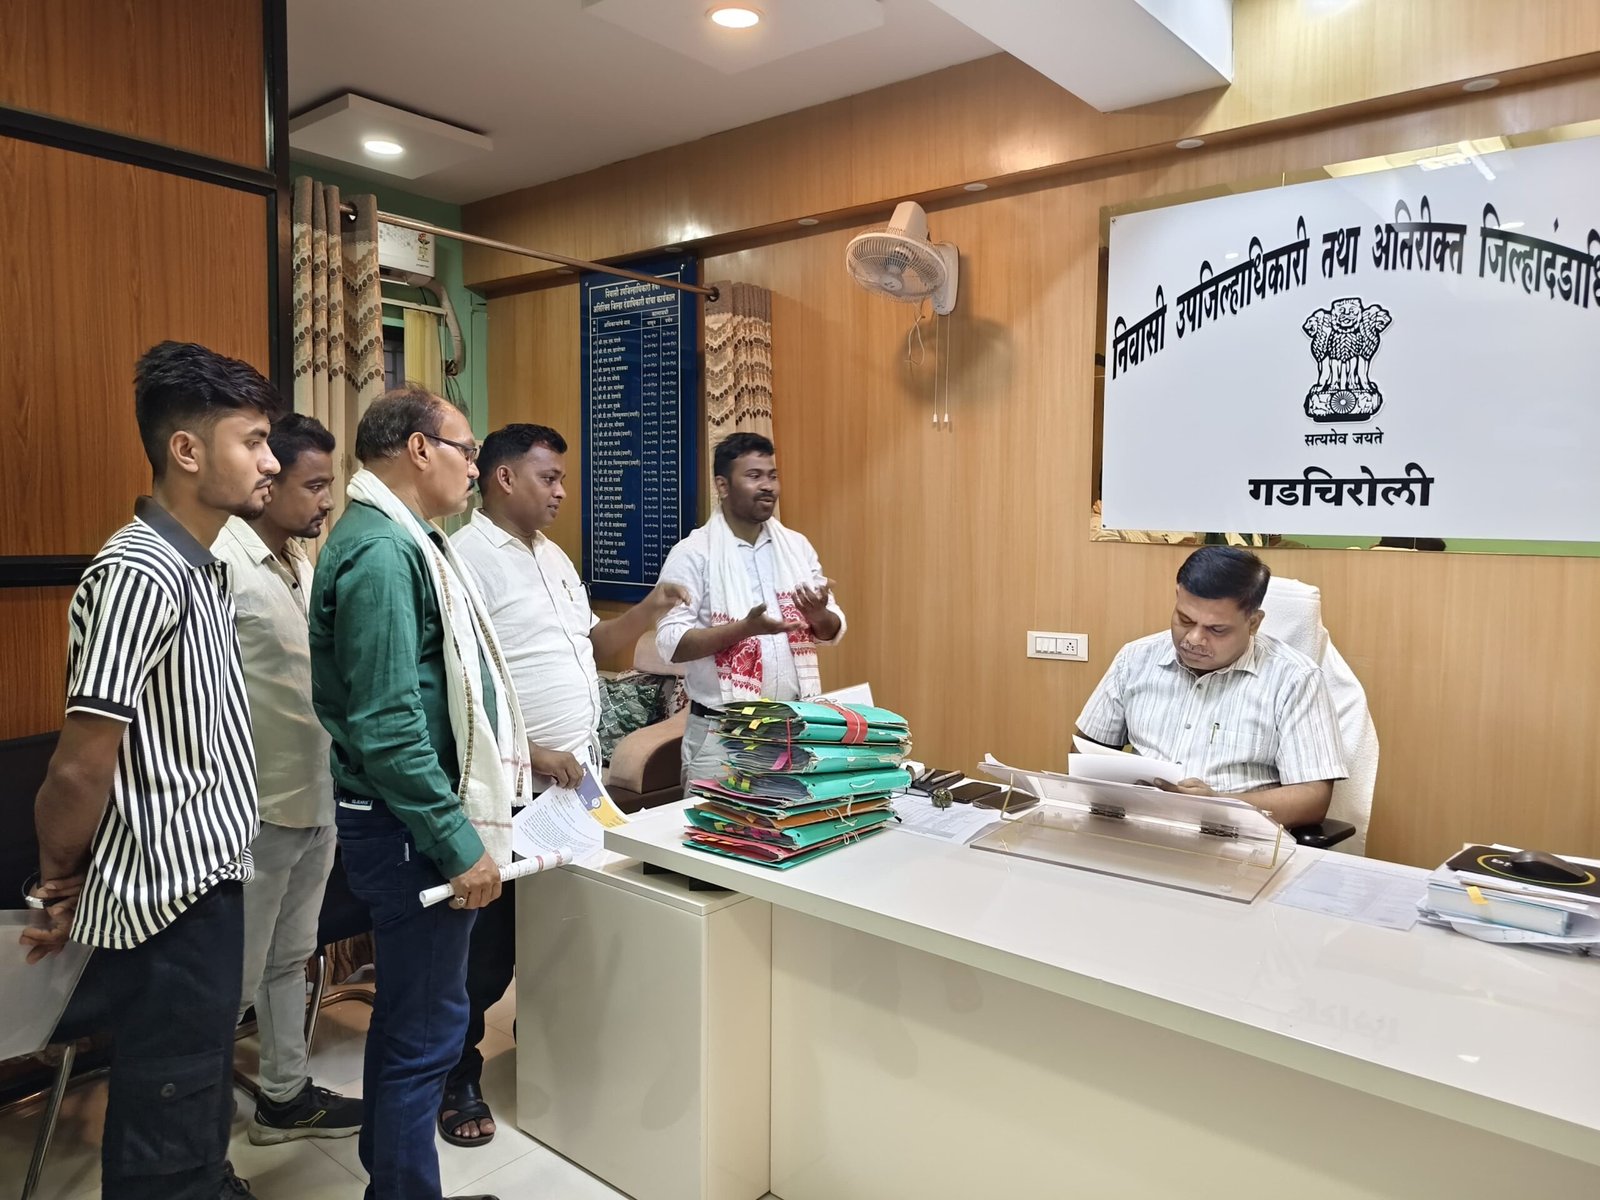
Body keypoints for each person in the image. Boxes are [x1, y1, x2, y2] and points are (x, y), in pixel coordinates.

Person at [22, 341, 281, 1200]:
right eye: (253, 440)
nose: (270, 461)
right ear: (187, 450)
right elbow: (80, 767)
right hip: (167, 900)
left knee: (197, 1092)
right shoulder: (138, 570)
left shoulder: (202, 566)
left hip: (208, 877)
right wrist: (59, 877)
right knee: (165, 1121)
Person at [309, 386, 524, 1200]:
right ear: (419, 448)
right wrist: (458, 842)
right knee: (427, 1031)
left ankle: (393, 1184)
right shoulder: (382, 552)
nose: (475, 467)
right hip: (408, 829)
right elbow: (388, 726)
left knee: (410, 1016)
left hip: (405, 821)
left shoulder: (406, 540)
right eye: (468, 450)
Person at [445, 422, 688, 1145]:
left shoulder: (552, 555)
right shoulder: (465, 559)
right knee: (486, 950)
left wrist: (647, 611)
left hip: (574, 783)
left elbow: (592, 646)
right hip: (511, 785)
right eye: (548, 477)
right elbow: (459, 687)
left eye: (561, 478)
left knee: (566, 928)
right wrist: (530, 751)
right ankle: (457, 1077)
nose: (560, 491)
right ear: (503, 478)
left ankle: (551, 1041)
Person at [212, 413, 362, 1145]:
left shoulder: (302, 562)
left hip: (315, 795)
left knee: (291, 958)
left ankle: (283, 1096)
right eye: (314, 486)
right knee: (228, 979)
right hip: (251, 815)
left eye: (330, 486)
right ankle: (197, 1139)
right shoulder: (221, 564)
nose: (326, 501)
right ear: (268, 482)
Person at [1074, 545, 1346, 828]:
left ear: (1253, 623)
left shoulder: (1296, 679)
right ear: (1177, 596)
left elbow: (1312, 799)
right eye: (1185, 620)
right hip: (1135, 829)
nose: (1193, 639)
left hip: (1236, 839)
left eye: (1216, 629)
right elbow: (1084, 751)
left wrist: (1218, 804)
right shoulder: (1135, 659)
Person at [655, 432, 846, 784]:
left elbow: (831, 630)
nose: (768, 486)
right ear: (722, 486)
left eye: (772, 475)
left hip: (791, 729)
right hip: (720, 734)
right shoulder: (693, 554)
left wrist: (819, 614)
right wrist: (743, 630)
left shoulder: (796, 548)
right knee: (714, 822)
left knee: (787, 818)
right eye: (754, 476)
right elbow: (671, 644)